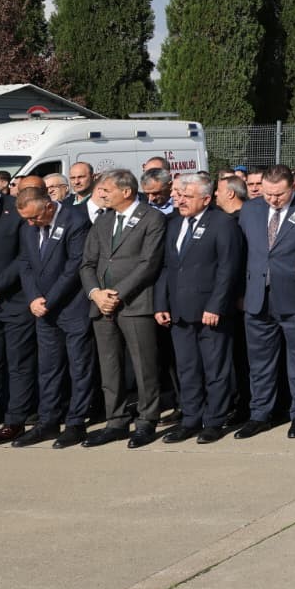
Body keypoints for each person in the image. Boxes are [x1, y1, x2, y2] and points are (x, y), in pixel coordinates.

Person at [79, 170, 168, 448]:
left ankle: (146, 420)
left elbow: (148, 263)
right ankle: (115, 421)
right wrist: (96, 294)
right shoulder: (103, 220)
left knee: (144, 366)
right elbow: (87, 263)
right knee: (110, 366)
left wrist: (116, 295)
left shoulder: (152, 218)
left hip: (134, 303)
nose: (102, 194)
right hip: (102, 306)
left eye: (107, 190)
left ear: (126, 191)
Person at [153, 174, 242, 444]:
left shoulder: (223, 223)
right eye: (179, 195)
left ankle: (214, 420)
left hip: (210, 311)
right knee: (187, 369)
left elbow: (228, 269)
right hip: (179, 311)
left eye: (188, 196)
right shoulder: (174, 224)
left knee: (216, 369)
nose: (180, 200)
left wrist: (216, 304)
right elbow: (167, 266)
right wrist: (161, 303)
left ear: (205, 198)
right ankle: (190, 418)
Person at [236, 164, 295, 440]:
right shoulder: (251, 210)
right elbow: (244, 251)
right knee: (259, 362)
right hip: (257, 296)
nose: (272, 199)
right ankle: (260, 413)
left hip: (293, 295)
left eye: (279, 194)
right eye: (268, 194)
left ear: (292, 187)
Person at [12, 186, 94, 447]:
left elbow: (74, 267)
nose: (31, 223)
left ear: (48, 206)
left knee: (79, 366)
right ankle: (47, 421)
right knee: (48, 368)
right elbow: (24, 264)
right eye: (26, 219)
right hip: (43, 310)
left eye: (35, 217)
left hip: (72, 307)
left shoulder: (76, 222)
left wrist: (49, 300)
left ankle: (76, 422)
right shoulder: (28, 227)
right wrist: (34, 298)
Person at [0, 187, 33, 444]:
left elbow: (25, 255)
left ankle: (15, 420)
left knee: (18, 362)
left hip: (14, 300)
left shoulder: (14, 210)